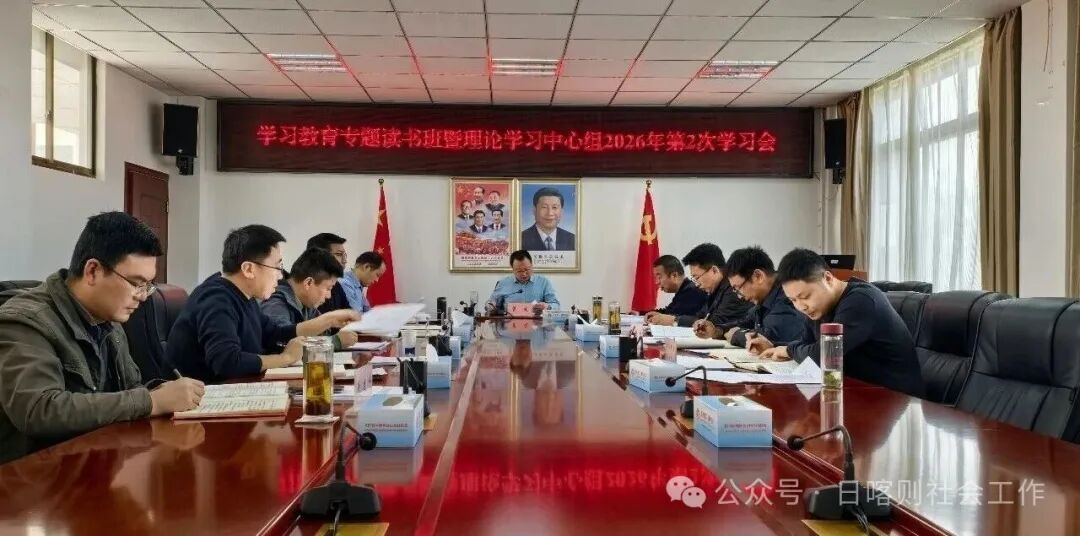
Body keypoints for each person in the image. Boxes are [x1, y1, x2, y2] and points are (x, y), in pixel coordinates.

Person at [0, 212, 205, 464]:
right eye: (136, 283)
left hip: (93, 464)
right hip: (34, 477)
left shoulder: (109, 320)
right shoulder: (25, 321)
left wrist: (161, 391)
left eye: (148, 286)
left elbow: (130, 389)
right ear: (93, 271)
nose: (143, 296)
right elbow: (39, 411)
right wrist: (151, 401)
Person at [167, 225, 359, 383]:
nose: (280, 275)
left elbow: (274, 333)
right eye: (277, 266)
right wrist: (285, 358)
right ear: (249, 269)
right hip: (205, 402)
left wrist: (327, 320)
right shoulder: (216, 298)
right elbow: (227, 361)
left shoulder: (244, 296)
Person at [759, 248, 925, 397]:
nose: (801, 306)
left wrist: (789, 350)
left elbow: (824, 355)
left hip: (895, 398)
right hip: (854, 391)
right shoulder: (818, 308)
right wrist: (777, 346)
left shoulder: (861, 300)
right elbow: (807, 344)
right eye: (793, 300)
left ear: (828, 278)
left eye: (805, 296)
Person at [694, 246, 809, 350]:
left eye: (738, 288)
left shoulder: (787, 294)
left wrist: (736, 335)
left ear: (758, 276)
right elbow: (746, 322)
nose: (738, 296)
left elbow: (770, 336)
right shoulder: (764, 298)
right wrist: (716, 330)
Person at [260, 247, 359, 351]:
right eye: (328, 288)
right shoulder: (275, 302)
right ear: (308, 283)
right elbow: (280, 343)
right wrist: (335, 341)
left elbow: (323, 334)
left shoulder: (307, 304)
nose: (328, 296)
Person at [677, 243, 752, 335]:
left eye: (696, 278)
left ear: (714, 270)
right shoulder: (714, 290)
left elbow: (714, 323)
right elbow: (701, 317)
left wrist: (675, 320)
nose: (696, 284)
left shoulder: (733, 289)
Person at [486, 250, 560, 314]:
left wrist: (547, 306)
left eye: (527, 269)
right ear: (512, 269)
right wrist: (490, 306)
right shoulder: (503, 283)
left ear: (532, 265)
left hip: (537, 324)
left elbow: (556, 305)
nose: (524, 274)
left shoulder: (543, 282)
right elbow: (491, 304)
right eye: (519, 271)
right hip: (509, 323)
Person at [643, 255, 708, 325]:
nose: (656, 282)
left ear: (674, 275)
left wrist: (669, 319)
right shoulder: (684, 290)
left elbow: (679, 316)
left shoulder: (693, 293)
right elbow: (670, 311)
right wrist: (653, 313)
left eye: (659, 277)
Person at [521, 187, 576, 251]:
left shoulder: (573, 239)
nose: (550, 213)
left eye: (554, 207)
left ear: (562, 212)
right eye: (544, 207)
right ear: (534, 210)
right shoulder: (520, 239)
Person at [306, 232, 350, 312]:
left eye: (345, 255)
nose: (345, 261)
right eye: (339, 254)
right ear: (320, 256)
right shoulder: (307, 285)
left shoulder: (336, 284)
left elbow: (348, 311)